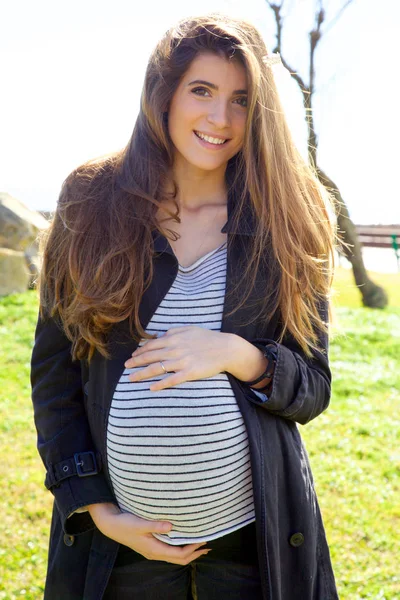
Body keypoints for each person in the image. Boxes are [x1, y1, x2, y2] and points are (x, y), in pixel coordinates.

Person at [30, 12, 339, 600]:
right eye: (202, 91)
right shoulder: (93, 200)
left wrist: (238, 355)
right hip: (120, 551)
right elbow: (54, 372)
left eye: (241, 100)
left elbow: (314, 385)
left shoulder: (288, 217)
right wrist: (94, 506)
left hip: (254, 545)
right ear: (163, 94)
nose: (220, 119)